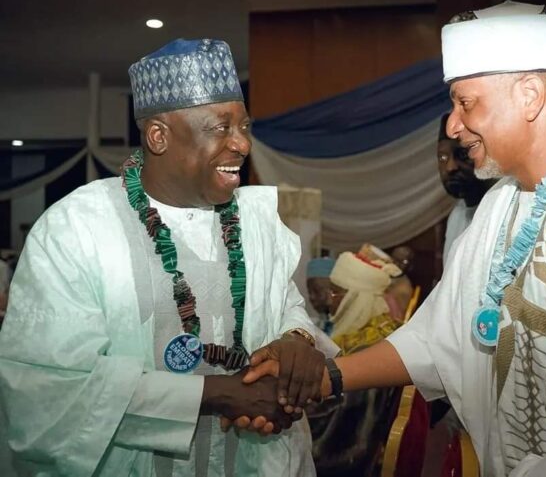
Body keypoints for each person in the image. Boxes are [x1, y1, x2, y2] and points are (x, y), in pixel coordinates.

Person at [245, 1, 546, 476]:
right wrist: (327, 377)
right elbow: (443, 341)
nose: (454, 125)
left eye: (465, 102)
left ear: (529, 96)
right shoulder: (501, 205)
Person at [0, 38, 327, 477]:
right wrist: (216, 394)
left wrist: (296, 340)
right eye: (221, 128)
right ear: (159, 136)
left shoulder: (254, 220)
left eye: (245, 127)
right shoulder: (77, 228)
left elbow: (285, 305)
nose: (243, 145)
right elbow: (46, 386)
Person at [307, 251, 401, 477]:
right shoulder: (380, 329)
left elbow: (334, 426)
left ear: (355, 298)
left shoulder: (369, 350)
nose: (331, 299)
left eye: (336, 292)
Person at [437, 113, 496, 263]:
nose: (450, 167)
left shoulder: (498, 213)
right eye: (443, 157)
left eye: (462, 155)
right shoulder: (456, 214)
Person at [385, 245, 415, 321]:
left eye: (403, 261)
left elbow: (396, 318)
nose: (397, 264)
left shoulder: (404, 287)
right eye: (394, 259)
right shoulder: (384, 274)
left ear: (410, 266)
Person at [306, 257, 336, 333]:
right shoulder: (315, 326)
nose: (311, 297)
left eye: (317, 291)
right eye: (309, 292)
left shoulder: (349, 326)